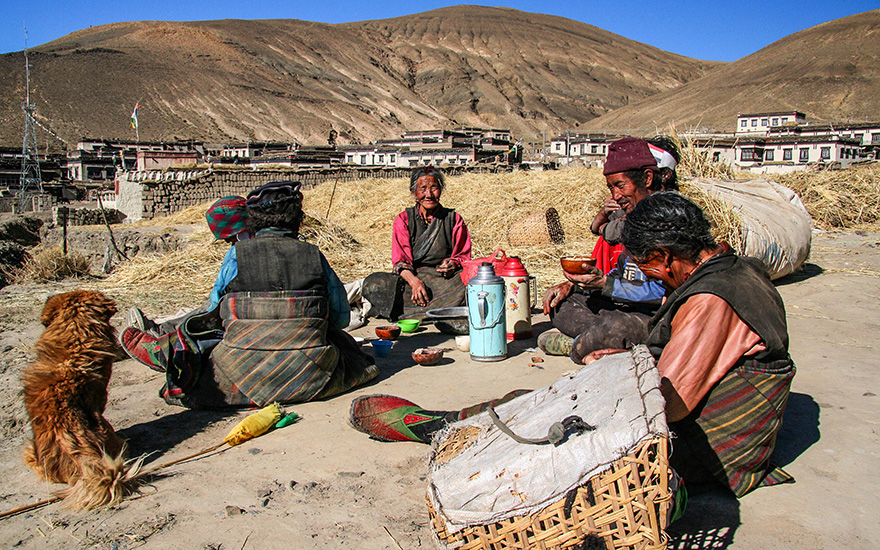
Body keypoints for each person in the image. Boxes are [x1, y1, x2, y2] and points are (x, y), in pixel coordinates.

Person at [350, 193, 796, 498]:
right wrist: (622, 362)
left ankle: (438, 426)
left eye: (647, 266)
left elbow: (669, 404)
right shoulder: (739, 269)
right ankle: (451, 422)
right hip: (706, 418)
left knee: (547, 417)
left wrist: (613, 375)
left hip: (705, 448)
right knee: (550, 397)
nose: (651, 276)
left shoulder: (710, 301)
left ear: (663, 255)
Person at [123, 181, 378, 408]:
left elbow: (214, 313)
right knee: (345, 347)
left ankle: (165, 351)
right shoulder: (313, 255)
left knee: (202, 338)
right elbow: (341, 319)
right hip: (312, 376)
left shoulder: (236, 255)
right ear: (298, 220)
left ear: (252, 221)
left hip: (240, 376)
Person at [538, 137, 673, 362]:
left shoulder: (670, 219)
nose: (615, 196)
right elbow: (621, 272)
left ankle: (578, 346)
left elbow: (663, 293)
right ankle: (597, 338)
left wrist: (606, 285)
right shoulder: (633, 220)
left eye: (620, 186)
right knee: (561, 305)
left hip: (654, 316)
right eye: (611, 188)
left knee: (617, 326)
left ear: (648, 178)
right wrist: (578, 285)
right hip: (623, 308)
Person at [124, 196, 251, 337]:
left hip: (238, 306)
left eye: (227, 237)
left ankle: (163, 333)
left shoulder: (239, 253)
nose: (227, 241)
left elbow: (219, 293)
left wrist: (210, 310)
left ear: (237, 231)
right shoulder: (253, 241)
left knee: (207, 312)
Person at [362, 166, 472, 320]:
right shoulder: (403, 219)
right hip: (412, 278)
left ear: (441, 190)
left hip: (444, 281)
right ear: (413, 192)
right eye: (423, 189)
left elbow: (463, 256)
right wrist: (415, 283)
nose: (429, 194)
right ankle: (440, 311)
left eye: (434, 188)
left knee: (473, 282)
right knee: (373, 284)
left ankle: (413, 312)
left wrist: (453, 263)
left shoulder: (453, 219)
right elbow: (401, 263)